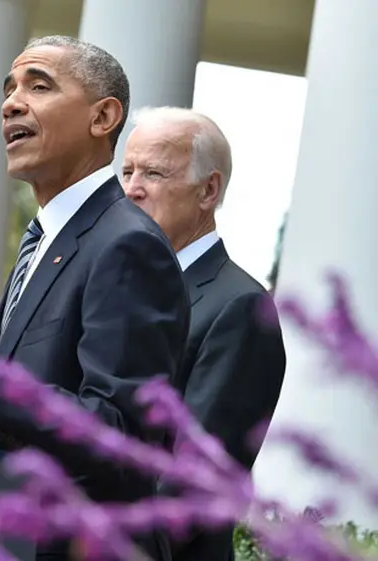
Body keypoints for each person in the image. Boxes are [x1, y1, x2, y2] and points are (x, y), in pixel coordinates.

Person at [0, 36, 190, 559]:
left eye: (38, 85)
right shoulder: (45, 242)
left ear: (103, 117)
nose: (11, 103)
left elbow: (124, 444)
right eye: (9, 90)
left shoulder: (127, 244)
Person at [120, 106, 287, 561]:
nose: (132, 189)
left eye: (153, 173)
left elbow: (195, 483)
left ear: (208, 190)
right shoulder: (115, 292)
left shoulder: (241, 306)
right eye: (127, 171)